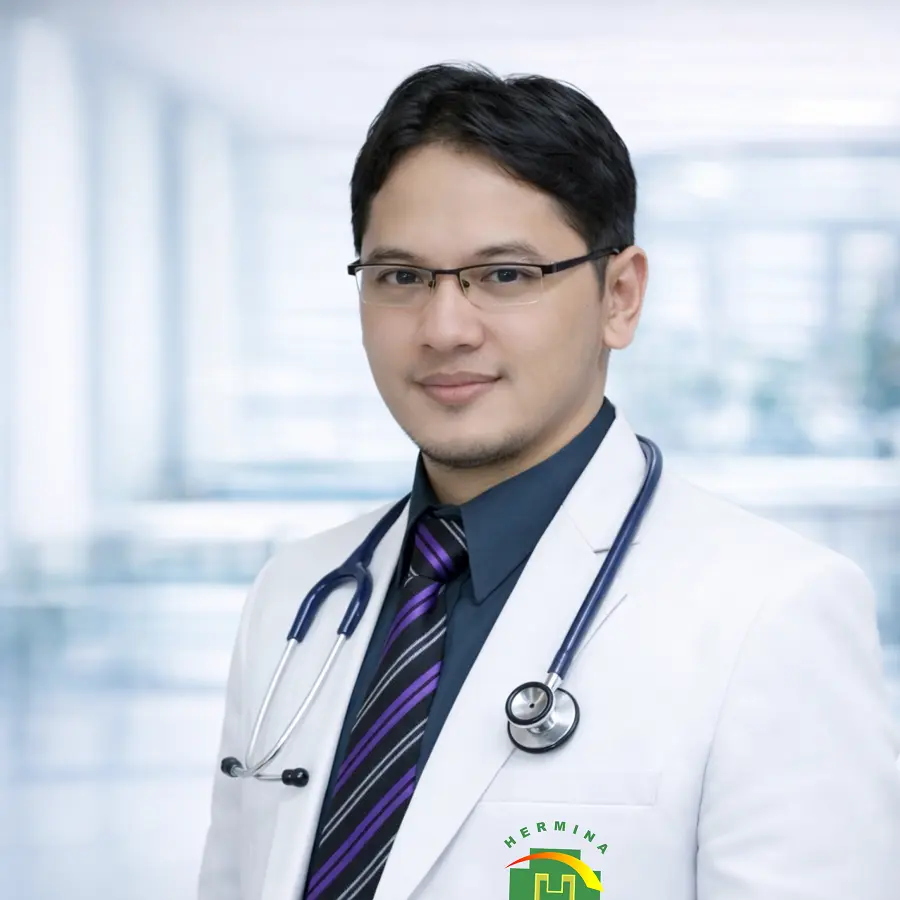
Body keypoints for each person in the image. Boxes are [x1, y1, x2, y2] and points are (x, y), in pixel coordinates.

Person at [198, 62, 900, 900]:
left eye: (506, 275)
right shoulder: (297, 594)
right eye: (402, 277)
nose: (444, 328)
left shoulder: (773, 613)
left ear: (620, 297)